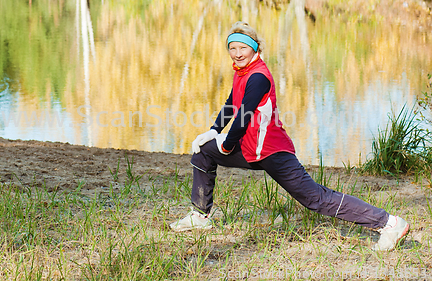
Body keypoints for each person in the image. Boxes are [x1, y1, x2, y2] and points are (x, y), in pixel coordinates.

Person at [169, 21, 409, 251]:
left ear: (255, 48)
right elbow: (232, 104)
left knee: (315, 198)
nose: (237, 53)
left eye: (243, 48)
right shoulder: (242, 72)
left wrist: (226, 146)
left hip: (272, 151)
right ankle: (200, 216)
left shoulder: (258, 76)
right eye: (232, 48)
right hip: (250, 148)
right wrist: (213, 131)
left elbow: (243, 117)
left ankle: (389, 223)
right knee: (203, 152)